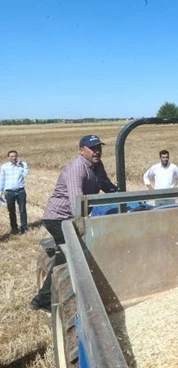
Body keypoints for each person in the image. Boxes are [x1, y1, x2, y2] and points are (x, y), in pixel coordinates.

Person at [29, 134, 119, 312]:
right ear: (81, 151)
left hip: (72, 216)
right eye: (92, 148)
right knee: (70, 257)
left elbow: (107, 186)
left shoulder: (98, 166)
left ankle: (44, 298)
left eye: (98, 148)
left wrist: (125, 197)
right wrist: (83, 224)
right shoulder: (76, 168)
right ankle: (42, 300)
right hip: (58, 218)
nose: (96, 151)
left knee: (68, 255)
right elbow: (75, 201)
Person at [0, 150, 29, 234]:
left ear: (17, 156)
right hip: (9, 192)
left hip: (20, 191)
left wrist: (19, 165)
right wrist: (0, 191)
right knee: (11, 211)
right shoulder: (4, 167)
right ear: (8, 157)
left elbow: (25, 174)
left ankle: (24, 228)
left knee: (22, 210)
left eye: (15, 156)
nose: (14, 158)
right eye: (12, 156)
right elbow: (2, 179)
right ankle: (14, 228)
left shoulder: (23, 164)